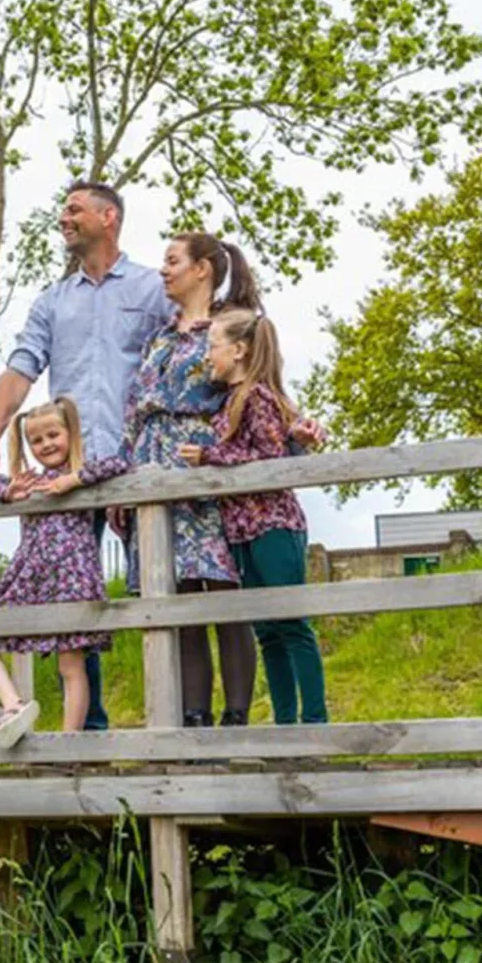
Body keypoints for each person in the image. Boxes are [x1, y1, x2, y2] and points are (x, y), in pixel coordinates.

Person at [0, 181, 173, 731]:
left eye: (75, 209)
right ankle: (90, 731)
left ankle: (171, 725)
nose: (64, 218)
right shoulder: (54, 301)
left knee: (157, 592)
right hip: (69, 477)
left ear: (109, 217)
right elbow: (21, 366)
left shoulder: (153, 289)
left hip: (133, 468)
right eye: (63, 209)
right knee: (70, 595)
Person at [115, 231, 260, 727]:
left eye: (172, 260)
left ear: (202, 269)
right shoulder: (159, 337)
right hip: (152, 468)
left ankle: (235, 718)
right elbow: (135, 409)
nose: (163, 270)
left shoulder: (231, 328)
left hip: (203, 466)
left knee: (221, 591)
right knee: (173, 594)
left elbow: (257, 393)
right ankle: (192, 718)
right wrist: (123, 476)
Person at [180, 309, 330, 725]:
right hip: (243, 528)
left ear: (240, 350)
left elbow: (268, 457)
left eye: (213, 346)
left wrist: (210, 455)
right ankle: (285, 724)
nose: (208, 355)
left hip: (273, 524)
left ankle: (314, 721)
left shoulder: (257, 397)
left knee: (292, 623)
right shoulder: (229, 401)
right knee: (267, 631)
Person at [0, 397, 128, 747]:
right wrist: (9, 493)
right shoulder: (30, 482)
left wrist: (74, 480)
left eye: (53, 435)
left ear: (70, 433)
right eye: (36, 441)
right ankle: (13, 706)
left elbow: (120, 464)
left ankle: (69, 744)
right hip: (32, 577)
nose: (46, 445)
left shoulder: (83, 475)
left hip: (72, 576)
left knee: (71, 666)